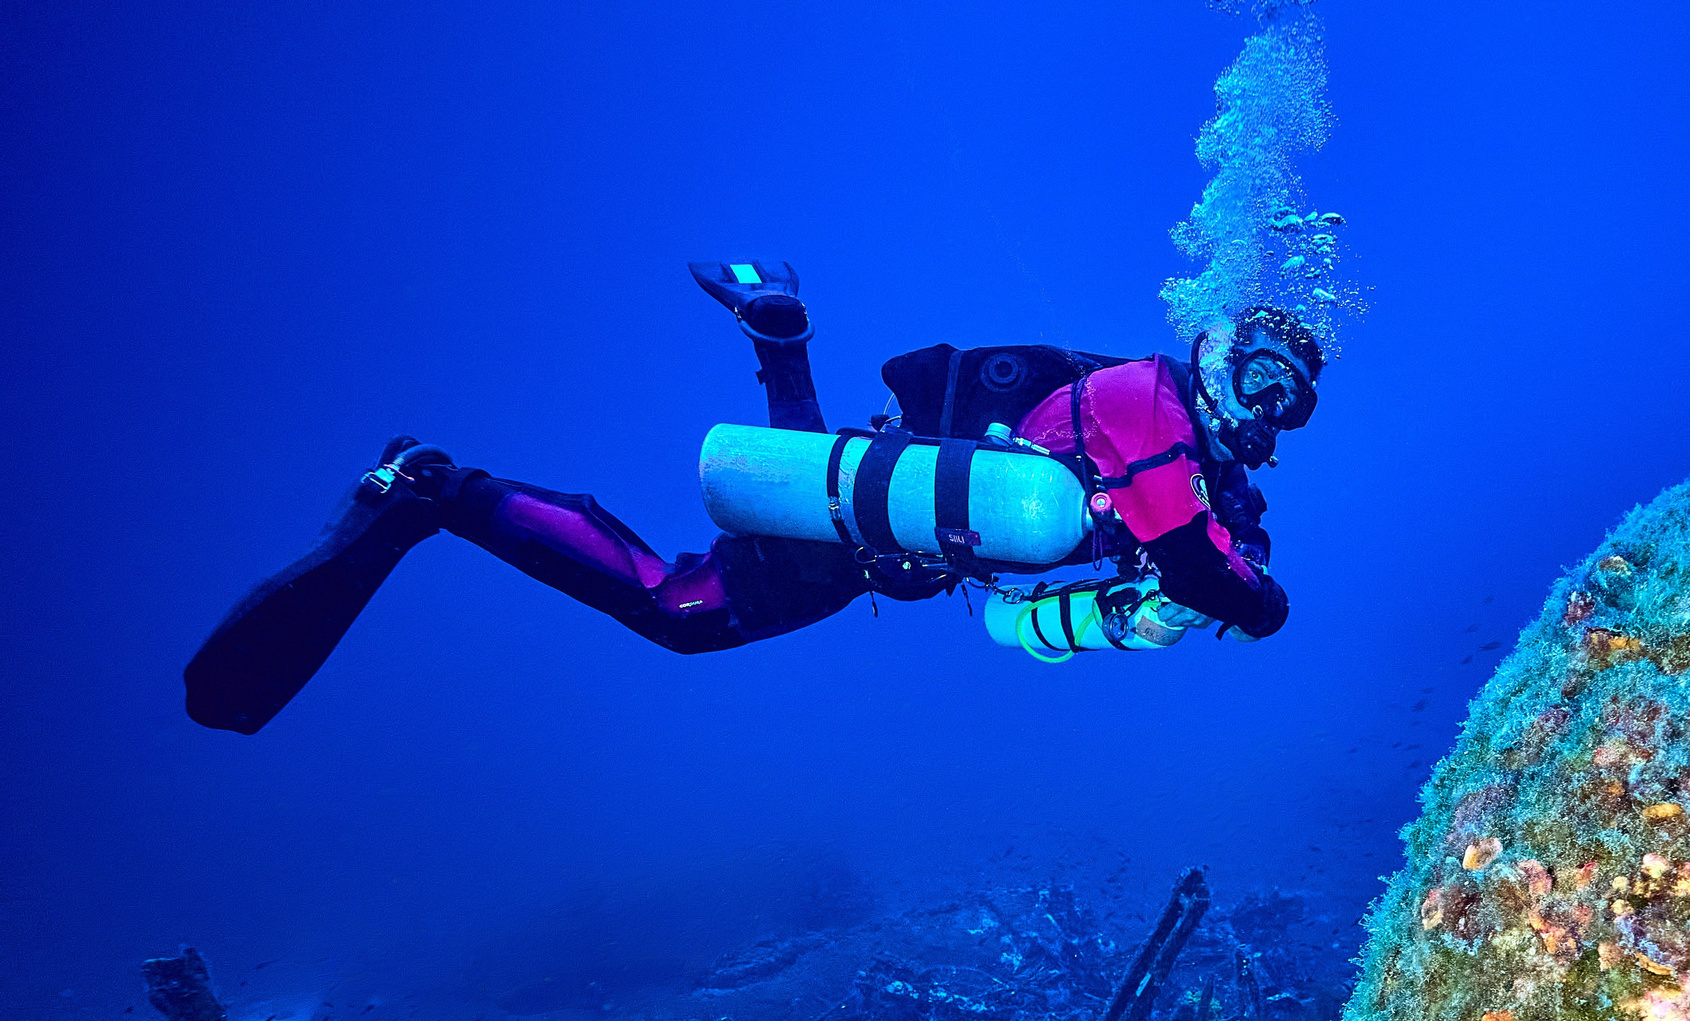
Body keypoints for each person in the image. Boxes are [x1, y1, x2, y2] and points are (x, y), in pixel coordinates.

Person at [182, 263, 1323, 734]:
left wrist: (1187, 608)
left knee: (787, 532)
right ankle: (444, 491)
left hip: (897, 534)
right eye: (1258, 375)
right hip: (881, 536)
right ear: (1211, 346)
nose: (1267, 409)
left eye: (1292, 401)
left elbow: (1194, 568)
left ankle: (781, 336)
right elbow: (1192, 559)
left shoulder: (1191, 457)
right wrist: (1255, 608)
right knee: (680, 613)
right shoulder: (1144, 403)